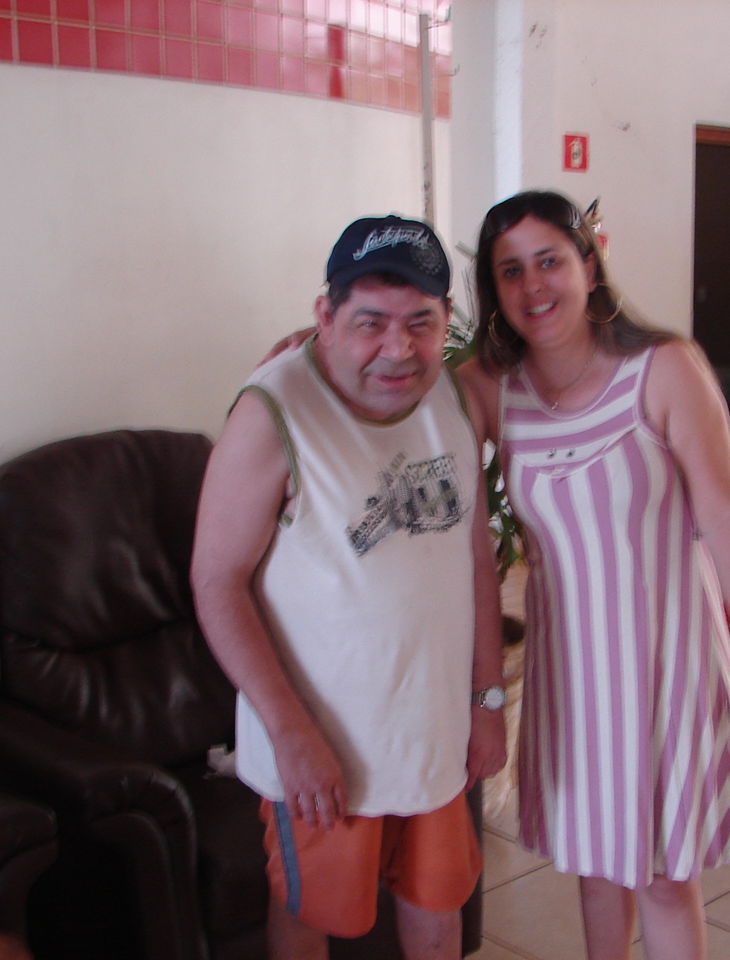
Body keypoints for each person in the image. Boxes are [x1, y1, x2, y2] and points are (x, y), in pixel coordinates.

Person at [454, 190, 730, 960]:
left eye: (550, 261)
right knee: (599, 865)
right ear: (494, 289)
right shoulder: (490, 389)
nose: (534, 286)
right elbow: (398, 393)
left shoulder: (664, 368)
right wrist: (311, 350)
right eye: (511, 270)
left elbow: (728, 519)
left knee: (666, 876)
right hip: (570, 676)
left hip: (669, 663)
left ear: (589, 260)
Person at [190, 216, 507, 960]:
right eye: (370, 323)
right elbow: (216, 581)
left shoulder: (456, 401)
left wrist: (487, 699)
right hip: (322, 744)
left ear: (444, 320)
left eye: (420, 323)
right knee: (312, 913)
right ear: (325, 317)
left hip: (433, 733)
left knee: (439, 905)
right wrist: (290, 734)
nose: (398, 349)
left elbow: (475, 562)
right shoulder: (273, 411)